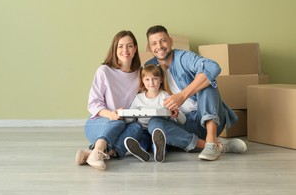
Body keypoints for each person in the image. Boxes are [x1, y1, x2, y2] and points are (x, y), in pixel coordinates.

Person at [127, 25, 247, 162]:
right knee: (154, 124)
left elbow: (213, 67)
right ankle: (215, 146)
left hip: (206, 119)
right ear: (149, 47)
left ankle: (211, 138)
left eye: (163, 41)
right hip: (180, 124)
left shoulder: (184, 57)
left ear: (171, 41)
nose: (159, 46)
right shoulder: (150, 66)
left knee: (208, 81)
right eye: (154, 43)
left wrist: (183, 95)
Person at [75, 30, 144, 170]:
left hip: (124, 124)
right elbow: (93, 104)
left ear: (135, 48)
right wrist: (111, 115)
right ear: (115, 49)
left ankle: (95, 154)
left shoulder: (140, 74)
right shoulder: (104, 71)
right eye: (120, 46)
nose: (125, 50)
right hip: (98, 124)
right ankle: (99, 149)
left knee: (137, 128)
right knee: (117, 122)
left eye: (129, 46)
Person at [124, 64, 186, 163]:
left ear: (161, 80)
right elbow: (131, 118)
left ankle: (159, 151)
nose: (151, 83)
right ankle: (141, 151)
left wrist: (177, 113)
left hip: (160, 132)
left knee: (159, 142)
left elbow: (183, 121)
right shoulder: (138, 98)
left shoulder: (165, 96)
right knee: (143, 141)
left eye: (155, 79)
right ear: (143, 81)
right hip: (144, 130)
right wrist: (122, 115)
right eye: (147, 79)